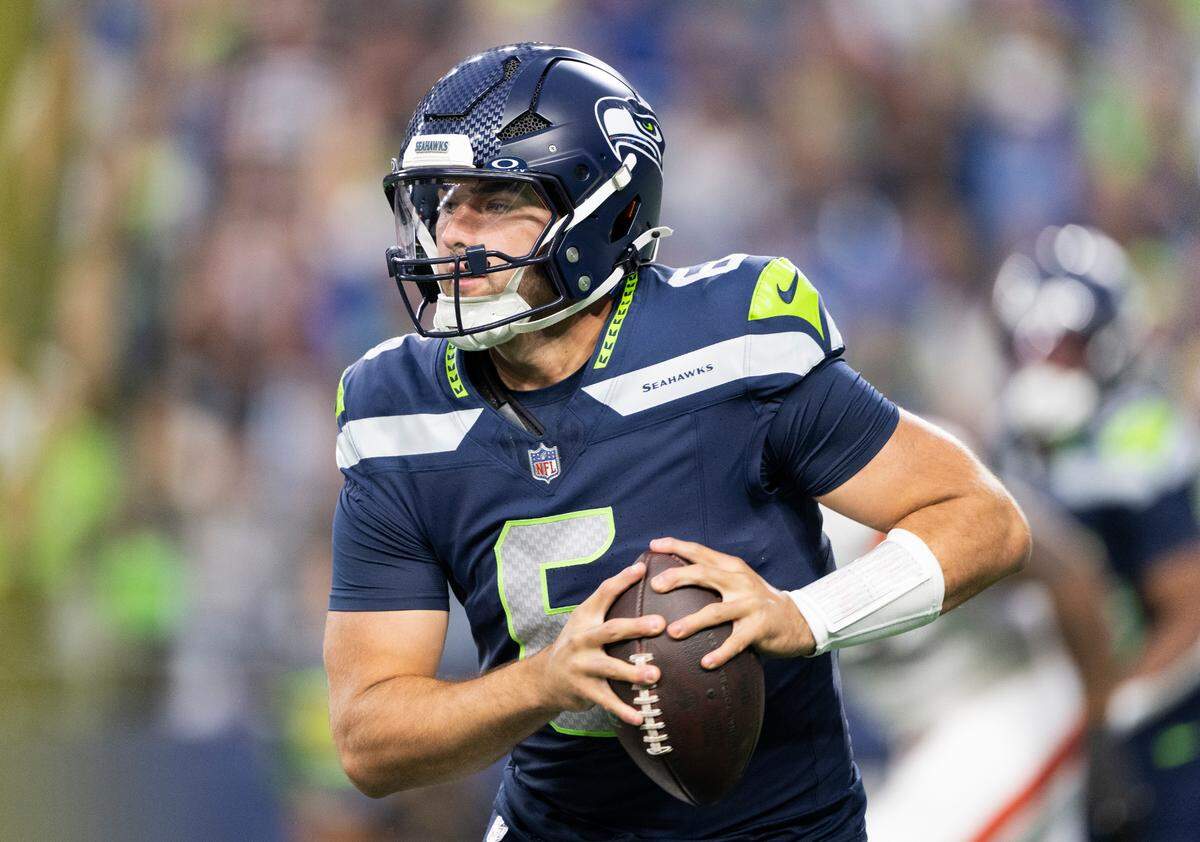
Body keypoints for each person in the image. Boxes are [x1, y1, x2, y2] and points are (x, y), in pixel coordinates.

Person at [322, 43, 1030, 841]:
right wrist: (544, 682)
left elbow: (984, 520)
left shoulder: (729, 339)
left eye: (495, 199)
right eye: (444, 201)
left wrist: (804, 616)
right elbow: (367, 739)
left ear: (607, 210)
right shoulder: (395, 410)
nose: (452, 232)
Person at [991, 224, 1200, 841]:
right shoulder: (1015, 439)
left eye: (1064, 345)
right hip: (1070, 714)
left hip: (1162, 725)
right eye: (1030, 346)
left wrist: (1109, 720)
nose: (1044, 364)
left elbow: (1189, 611)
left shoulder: (1141, 434)